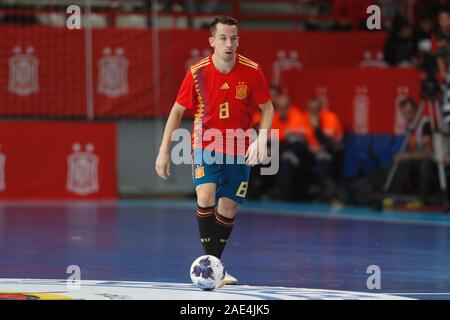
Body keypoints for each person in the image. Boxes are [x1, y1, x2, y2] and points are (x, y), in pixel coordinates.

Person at [155, 16, 274, 285]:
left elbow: (267, 108)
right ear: (212, 42)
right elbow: (177, 111)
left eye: (233, 38)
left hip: (240, 145)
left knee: (229, 207)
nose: (229, 43)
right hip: (205, 143)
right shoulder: (197, 72)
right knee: (206, 194)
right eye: (223, 38)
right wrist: (164, 150)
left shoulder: (252, 70)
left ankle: (215, 267)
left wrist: (261, 139)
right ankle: (212, 267)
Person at [390, 97, 434, 207]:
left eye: (409, 112)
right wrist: (403, 156)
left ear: (416, 110)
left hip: (433, 160)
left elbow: (430, 153)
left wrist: (408, 156)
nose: (407, 115)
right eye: (404, 113)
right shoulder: (410, 126)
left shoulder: (426, 124)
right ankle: (396, 196)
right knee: (400, 163)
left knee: (425, 164)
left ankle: (421, 199)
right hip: (417, 158)